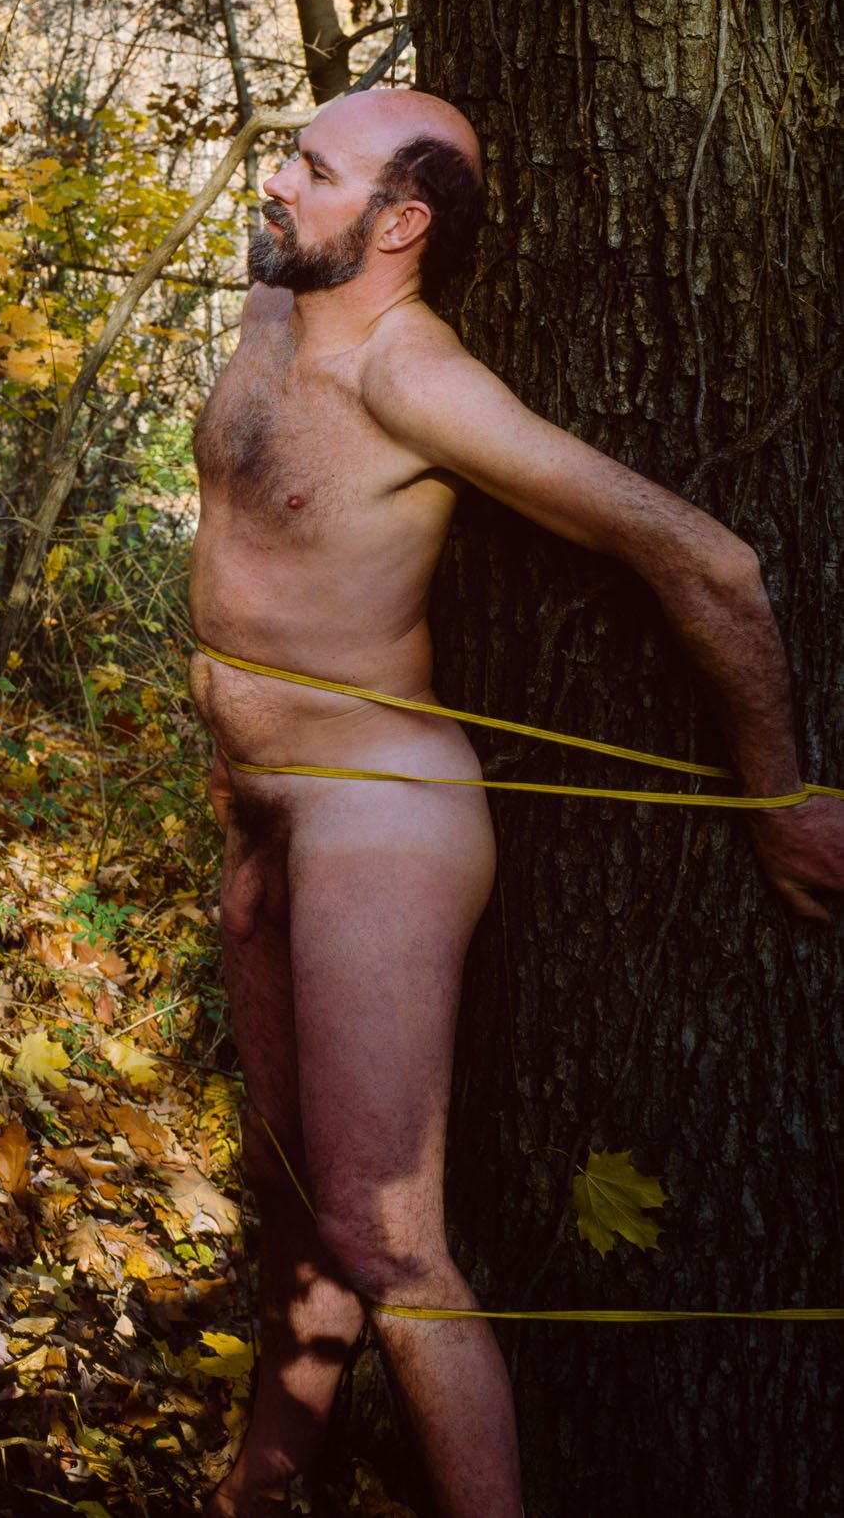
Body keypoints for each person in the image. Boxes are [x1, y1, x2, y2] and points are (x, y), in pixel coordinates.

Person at [188, 86, 844, 1516]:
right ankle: (258, 1494)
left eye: (312, 168)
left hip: (378, 817)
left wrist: (781, 795)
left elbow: (709, 562)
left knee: (386, 1238)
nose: (276, 181)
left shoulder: (414, 381)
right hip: (261, 809)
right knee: (297, 1203)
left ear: (401, 224)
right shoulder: (272, 306)